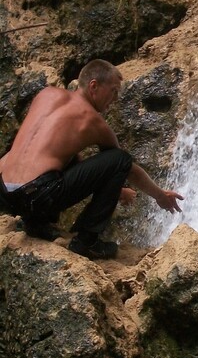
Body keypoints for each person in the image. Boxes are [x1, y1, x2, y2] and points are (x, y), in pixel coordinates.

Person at [0, 59, 183, 260]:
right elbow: (125, 167)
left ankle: (36, 224)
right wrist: (160, 196)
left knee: (59, 159)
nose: (116, 97)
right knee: (119, 159)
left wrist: (117, 189)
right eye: (113, 91)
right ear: (94, 86)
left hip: (5, 192)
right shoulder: (93, 121)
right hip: (37, 196)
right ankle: (87, 241)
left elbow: (58, 156)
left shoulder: (46, 94)